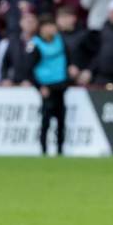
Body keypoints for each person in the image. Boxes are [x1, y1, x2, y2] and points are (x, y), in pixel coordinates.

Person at [30, 16, 70, 155]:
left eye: (53, 25)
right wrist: (39, 86)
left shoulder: (60, 40)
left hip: (60, 86)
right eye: (48, 26)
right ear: (41, 28)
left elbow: (68, 59)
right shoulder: (35, 44)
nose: (52, 29)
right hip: (46, 87)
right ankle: (43, 151)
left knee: (61, 121)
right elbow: (28, 68)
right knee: (45, 121)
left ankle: (60, 151)